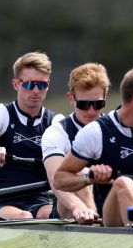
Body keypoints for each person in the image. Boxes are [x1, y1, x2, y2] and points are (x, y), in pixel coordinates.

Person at [53, 65, 133, 227]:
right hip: (114, 217)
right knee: (124, 183)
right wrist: (89, 177)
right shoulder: (95, 132)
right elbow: (59, 180)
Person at [0, 52, 60, 219]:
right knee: (25, 217)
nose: (36, 91)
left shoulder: (55, 121)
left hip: (39, 201)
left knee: (53, 214)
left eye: (42, 85)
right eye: (30, 84)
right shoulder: (1, 112)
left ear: (48, 85)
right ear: (16, 84)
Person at [41, 62, 110, 224]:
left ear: (105, 97)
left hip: (109, 206)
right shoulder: (57, 133)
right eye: (84, 105)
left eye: (98, 104)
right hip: (70, 210)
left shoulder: (116, 127)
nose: (92, 111)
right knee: (81, 171)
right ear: (71, 99)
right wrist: (78, 207)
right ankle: (92, 222)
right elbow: (54, 180)